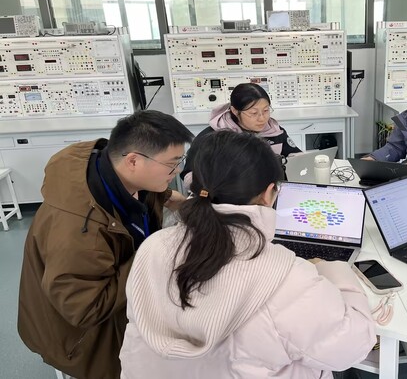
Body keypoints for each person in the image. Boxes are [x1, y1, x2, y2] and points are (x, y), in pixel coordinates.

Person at [120, 130, 376, 379]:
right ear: (268, 194)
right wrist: (336, 271)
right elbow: (352, 347)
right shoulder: (286, 277)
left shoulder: (153, 247)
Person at [17, 110, 194, 379]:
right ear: (133, 160)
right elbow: (87, 309)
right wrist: (155, 252)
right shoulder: (80, 231)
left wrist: (169, 196)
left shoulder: (111, 168)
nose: (178, 170)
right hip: (83, 337)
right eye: (172, 163)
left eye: (180, 161)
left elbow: (146, 192)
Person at [181, 83, 301, 189]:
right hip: (229, 197)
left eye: (266, 110)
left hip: (269, 193)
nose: (262, 118)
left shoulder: (274, 131)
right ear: (235, 111)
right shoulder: (212, 138)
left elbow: (297, 159)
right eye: (253, 113)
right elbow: (189, 176)